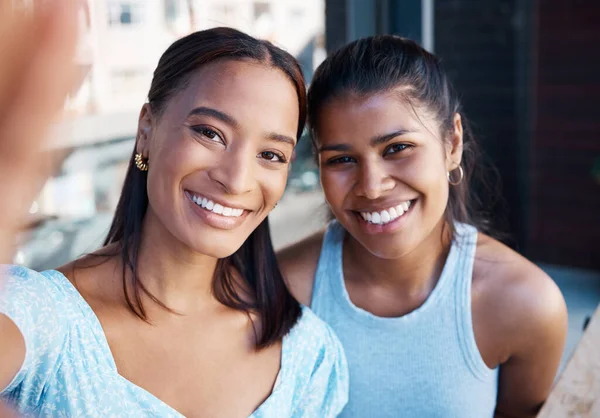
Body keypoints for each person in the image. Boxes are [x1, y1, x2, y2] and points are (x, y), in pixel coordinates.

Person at [0, 21, 348, 418]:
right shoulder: (40, 318)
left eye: (271, 155)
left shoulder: (306, 354)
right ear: (146, 128)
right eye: (210, 133)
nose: (236, 180)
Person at [278, 35, 567, 418]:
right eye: (342, 159)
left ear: (452, 143)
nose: (372, 185)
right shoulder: (283, 291)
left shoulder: (525, 304)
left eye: (397, 148)